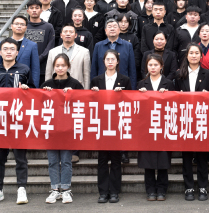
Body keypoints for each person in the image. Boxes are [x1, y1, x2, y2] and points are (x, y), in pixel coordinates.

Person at [0, 38, 34, 205]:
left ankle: (21, 189)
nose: (9, 51)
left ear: (17, 52)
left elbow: (34, 92)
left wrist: (27, 90)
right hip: (0, 121)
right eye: (5, 49)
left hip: (19, 120)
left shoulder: (24, 69)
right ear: (0, 52)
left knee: (21, 158)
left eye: (12, 49)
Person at [40, 53, 83, 204]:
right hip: (51, 129)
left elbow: (84, 103)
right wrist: (44, 94)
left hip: (67, 130)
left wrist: (73, 94)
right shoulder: (47, 84)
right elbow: (38, 105)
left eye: (63, 65)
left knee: (65, 161)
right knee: (52, 161)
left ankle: (65, 189)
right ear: (53, 67)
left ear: (68, 66)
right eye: (57, 66)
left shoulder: (75, 84)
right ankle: (54, 189)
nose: (60, 68)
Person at [91, 49, 132, 204]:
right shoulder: (96, 80)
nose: (110, 62)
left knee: (116, 160)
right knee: (102, 160)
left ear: (117, 62)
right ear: (104, 61)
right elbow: (91, 103)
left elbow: (130, 101)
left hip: (117, 123)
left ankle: (114, 191)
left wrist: (122, 94)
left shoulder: (124, 80)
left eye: (112, 59)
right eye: (107, 59)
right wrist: (94, 93)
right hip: (102, 124)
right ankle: (103, 192)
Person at [174, 44, 209, 201]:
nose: (193, 55)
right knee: (186, 156)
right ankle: (189, 187)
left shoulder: (207, 74)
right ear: (187, 56)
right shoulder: (179, 74)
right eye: (191, 53)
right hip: (185, 119)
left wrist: (207, 95)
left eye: (196, 53)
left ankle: (203, 187)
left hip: (201, 118)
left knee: (202, 155)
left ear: (201, 56)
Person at [137, 53, 175, 201]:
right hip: (146, 128)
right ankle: (150, 190)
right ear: (147, 66)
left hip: (163, 127)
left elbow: (174, 105)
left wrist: (167, 95)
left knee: (163, 160)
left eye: (156, 65)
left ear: (161, 66)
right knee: (148, 161)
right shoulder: (141, 84)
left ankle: (162, 190)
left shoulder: (169, 84)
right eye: (150, 65)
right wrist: (140, 96)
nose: (153, 68)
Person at [0, 15, 40, 88]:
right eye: (16, 24)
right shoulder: (2, 44)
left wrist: (34, 88)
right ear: (11, 26)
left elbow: (35, 69)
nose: (19, 26)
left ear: (26, 27)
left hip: (24, 86)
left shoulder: (32, 45)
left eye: (22, 24)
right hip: (4, 84)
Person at [91, 18, 137, 90]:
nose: (112, 29)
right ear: (105, 30)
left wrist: (132, 90)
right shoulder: (98, 46)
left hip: (122, 85)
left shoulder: (128, 46)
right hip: (101, 86)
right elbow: (94, 68)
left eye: (115, 26)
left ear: (119, 30)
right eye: (109, 27)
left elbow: (132, 70)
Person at [46, 23, 91, 90]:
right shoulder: (52, 52)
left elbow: (86, 75)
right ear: (61, 35)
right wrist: (47, 88)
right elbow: (48, 73)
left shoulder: (84, 52)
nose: (68, 34)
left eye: (71, 32)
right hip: (56, 89)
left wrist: (86, 91)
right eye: (65, 32)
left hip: (77, 88)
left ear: (76, 35)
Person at [24, 0, 55, 86]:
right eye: (31, 8)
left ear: (41, 10)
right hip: (25, 66)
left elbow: (50, 45)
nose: (34, 10)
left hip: (43, 67)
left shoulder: (48, 26)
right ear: (27, 11)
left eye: (37, 8)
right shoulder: (23, 26)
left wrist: (39, 58)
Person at [118, 12, 142, 79]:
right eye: (121, 21)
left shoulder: (133, 37)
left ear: (129, 23)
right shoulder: (114, 36)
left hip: (129, 69)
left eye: (126, 22)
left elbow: (136, 56)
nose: (123, 24)